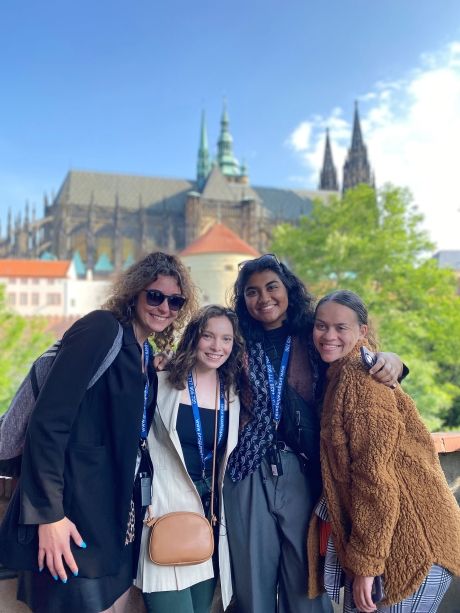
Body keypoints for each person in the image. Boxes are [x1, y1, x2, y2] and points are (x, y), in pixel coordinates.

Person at [0, 252, 198, 613]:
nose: (164, 307)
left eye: (175, 301)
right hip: (71, 516)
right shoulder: (101, 329)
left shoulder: (143, 352)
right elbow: (50, 422)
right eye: (155, 296)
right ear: (135, 293)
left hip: (113, 520)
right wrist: (49, 516)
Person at [224, 254, 405, 613]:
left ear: (288, 289)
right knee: (251, 586)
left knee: (308, 585)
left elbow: (357, 356)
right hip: (248, 469)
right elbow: (199, 355)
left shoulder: (314, 334)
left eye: (272, 287)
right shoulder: (237, 338)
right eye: (252, 292)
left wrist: (395, 360)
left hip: (305, 471)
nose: (264, 298)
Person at [308, 289, 460, 612]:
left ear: (362, 331)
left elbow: (375, 478)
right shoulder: (344, 373)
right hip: (399, 546)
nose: (328, 335)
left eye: (340, 327)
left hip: (411, 552)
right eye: (321, 326)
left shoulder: (360, 381)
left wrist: (367, 563)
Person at [136, 305, 244, 613]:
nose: (217, 346)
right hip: (165, 512)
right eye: (208, 336)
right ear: (194, 337)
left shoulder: (233, 391)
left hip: (208, 517)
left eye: (226, 339)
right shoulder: (161, 380)